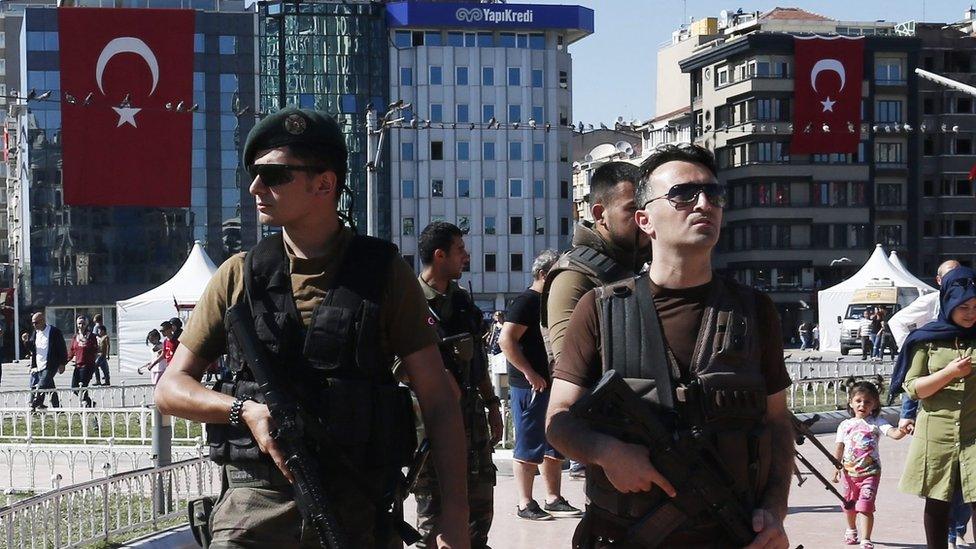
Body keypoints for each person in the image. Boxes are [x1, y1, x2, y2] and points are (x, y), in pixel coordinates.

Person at [154, 107, 469, 548]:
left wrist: (454, 518)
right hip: (255, 514)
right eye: (254, 173)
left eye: (274, 174)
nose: (255, 187)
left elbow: (438, 398)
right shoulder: (238, 275)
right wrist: (243, 411)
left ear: (325, 183)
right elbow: (170, 389)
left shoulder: (383, 274)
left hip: (355, 508)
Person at [546, 143, 793, 548]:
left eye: (714, 194)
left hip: (730, 535)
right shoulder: (601, 309)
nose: (704, 204)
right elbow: (558, 420)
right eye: (683, 195)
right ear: (645, 220)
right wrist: (608, 453)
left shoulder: (754, 311)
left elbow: (778, 424)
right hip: (624, 536)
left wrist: (774, 508)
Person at [541, 161, 650, 481]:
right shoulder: (575, 278)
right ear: (600, 214)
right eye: (632, 209)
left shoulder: (632, 269)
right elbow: (570, 370)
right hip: (614, 448)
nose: (643, 220)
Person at [409, 221, 502, 548]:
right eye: (459, 250)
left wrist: (492, 406)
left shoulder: (463, 303)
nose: (466, 256)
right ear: (439, 255)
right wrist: (435, 376)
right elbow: (394, 361)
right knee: (434, 524)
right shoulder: (408, 303)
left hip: (472, 422)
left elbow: (477, 363)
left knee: (479, 515)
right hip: (430, 427)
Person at [890, 266, 976, 549]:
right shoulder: (926, 339)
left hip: (974, 435)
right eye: (963, 306)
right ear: (948, 302)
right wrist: (949, 372)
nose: (970, 313)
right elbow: (913, 388)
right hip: (936, 435)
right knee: (938, 502)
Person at [499, 249, 582, 521]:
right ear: (544, 274)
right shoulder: (526, 301)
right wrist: (529, 373)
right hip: (530, 385)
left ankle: (553, 497)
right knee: (528, 443)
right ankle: (525, 502)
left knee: (552, 443)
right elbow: (506, 340)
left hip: (550, 382)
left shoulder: (549, 302)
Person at [832, 381, 907, 549]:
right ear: (850, 402)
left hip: (870, 473)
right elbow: (839, 447)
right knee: (849, 505)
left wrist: (903, 430)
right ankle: (851, 529)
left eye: (867, 402)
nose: (862, 405)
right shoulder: (845, 425)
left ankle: (866, 538)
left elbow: (894, 434)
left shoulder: (877, 422)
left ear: (874, 404)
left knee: (865, 506)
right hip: (849, 474)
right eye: (858, 401)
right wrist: (836, 468)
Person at [29, 312, 68, 410]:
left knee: (42, 384)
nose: (34, 325)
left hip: (51, 364)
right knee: (50, 386)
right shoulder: (36, 333)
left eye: (36, 323)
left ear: (43, 321)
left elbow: (62, 347)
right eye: (33, 323)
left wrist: (62, 363)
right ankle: (57, 407)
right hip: (39, 364)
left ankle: (35, 403)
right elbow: (32, 348)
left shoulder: (54, 332)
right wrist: (25, 342)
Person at [69, 315, 98, 408]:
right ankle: (89, 402)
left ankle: (86, 405)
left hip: (88, 366)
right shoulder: (75, 337)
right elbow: (72, 351)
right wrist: (62, 362)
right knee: (74, 387)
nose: (81, 326)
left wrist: (85, 342)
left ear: (87, 324)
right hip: (78, 365)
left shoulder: (91, 336)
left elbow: (94, 349)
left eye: (83, 324)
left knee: (83, 386)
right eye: (79, 324)